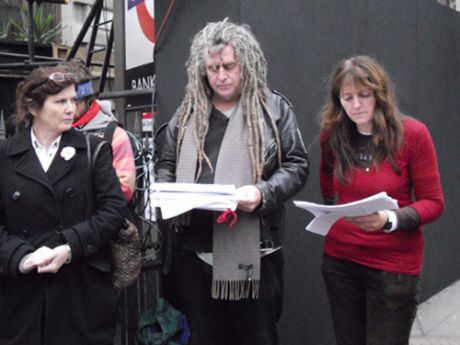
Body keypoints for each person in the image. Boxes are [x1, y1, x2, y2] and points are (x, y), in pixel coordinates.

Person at [156, 19, 309, 345]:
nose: (221, 76)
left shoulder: (273, 109)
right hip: (193, 255)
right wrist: (166, 193)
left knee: (257, 338)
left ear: (246, 65)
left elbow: (297, 165)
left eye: (229, 66)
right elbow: (166, 162)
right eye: (213, 68)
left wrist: (262, 192)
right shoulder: (187, 113)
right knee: (204, 337)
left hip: (256, 254)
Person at [319, 55, 445, 345]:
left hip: (393, 267)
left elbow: (434, 202)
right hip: (341, 261)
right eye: (347, 97)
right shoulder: (333, 135)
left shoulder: (412, 134)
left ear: (380, 94)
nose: (356, 105)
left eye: (364, 95)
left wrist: (390, 219)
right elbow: (327, 185)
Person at [0, 65, 127, 345]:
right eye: (60, 102)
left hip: (82, 292)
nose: (71, 108)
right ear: (34, 107)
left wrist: (69, 247)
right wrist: (22, 258)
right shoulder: (5, 156)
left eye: (73, 100)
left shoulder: (93, 150)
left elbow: (113, 210)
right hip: (23, 298)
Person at [65, 62, 136, 202]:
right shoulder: (51, 132)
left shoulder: (114, 135)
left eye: (74, 101)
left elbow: (125, 190)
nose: (67, 108)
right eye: (60, 101)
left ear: (87, 98)